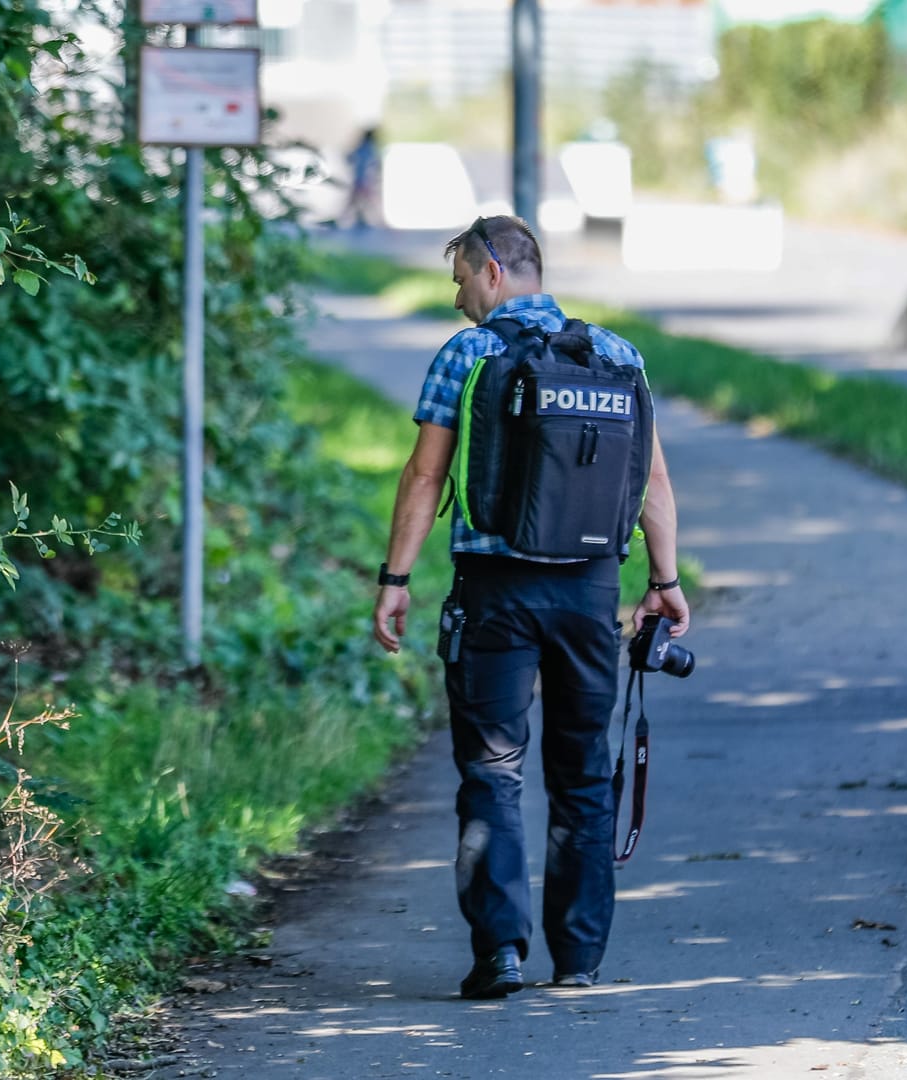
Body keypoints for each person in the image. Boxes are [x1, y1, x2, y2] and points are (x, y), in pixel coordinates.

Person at [370, 214, 689, 999]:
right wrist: (666, 580)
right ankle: (578, 960)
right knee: (583, 772)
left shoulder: (468, 355)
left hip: (496, 596)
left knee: (493, 770)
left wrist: (396, 577)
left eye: (460, 283)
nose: (458, 302)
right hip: (589, 591)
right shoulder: (618, 356)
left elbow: (424, 476)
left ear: (493, 272)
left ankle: (499, 954)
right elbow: (650, 481)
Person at [339, 128, 381, 229]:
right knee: (371, 204)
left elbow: (348, 158)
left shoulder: (360, 148)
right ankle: (386, 228)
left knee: (352, 205)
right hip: (364, 182)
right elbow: (376, 165)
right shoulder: (370, 149)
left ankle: (341, 221)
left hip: (359, 181)